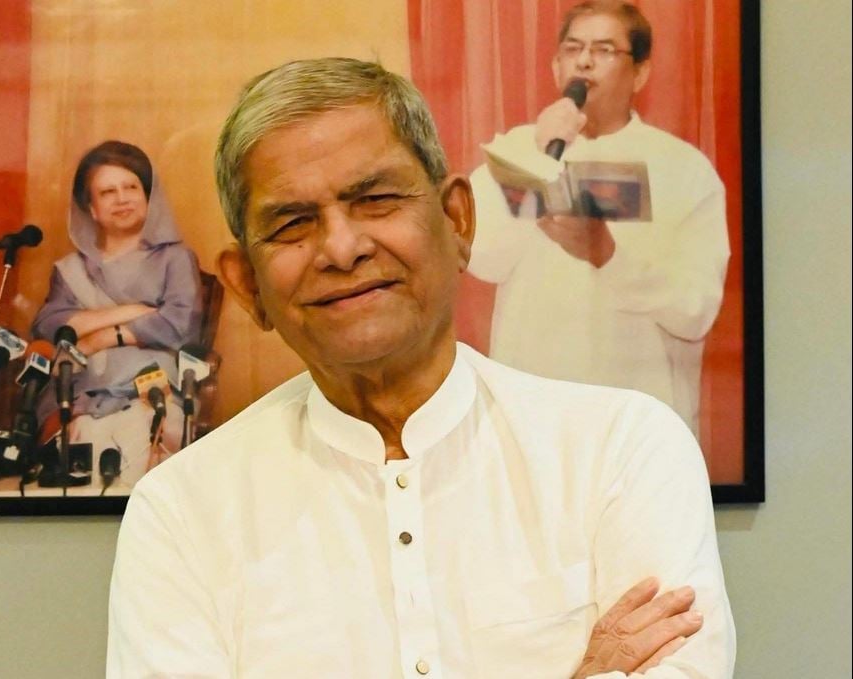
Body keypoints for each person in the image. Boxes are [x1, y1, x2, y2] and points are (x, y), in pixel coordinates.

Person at [107, 58, 734, 677]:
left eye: (376, 200)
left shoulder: (619, 449)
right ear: (248, 286)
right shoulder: (183, 511)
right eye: (293, 224)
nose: (342, 249)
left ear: (457, 220)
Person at [468, 0, 730, 436]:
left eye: (604, 50)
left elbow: (695, 310)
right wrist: (540, 153)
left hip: (638, 418)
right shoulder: (517, 150)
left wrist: (608, 255)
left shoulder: (683, 169)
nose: (584, 61)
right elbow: (480, 256)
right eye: (573, 49)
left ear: (640, 73)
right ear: (556, 67)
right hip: (532, 416)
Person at [32, 140, 203, 489]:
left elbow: (181, 324)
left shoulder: (175, 258)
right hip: (82, 399)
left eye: (131, 187)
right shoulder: (71, 270)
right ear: (91, 208)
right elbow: (50, 324)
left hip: (150, 395)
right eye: (108, 192)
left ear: (148, 197)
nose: (122, 199)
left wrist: (102, 337)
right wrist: (133, 312)